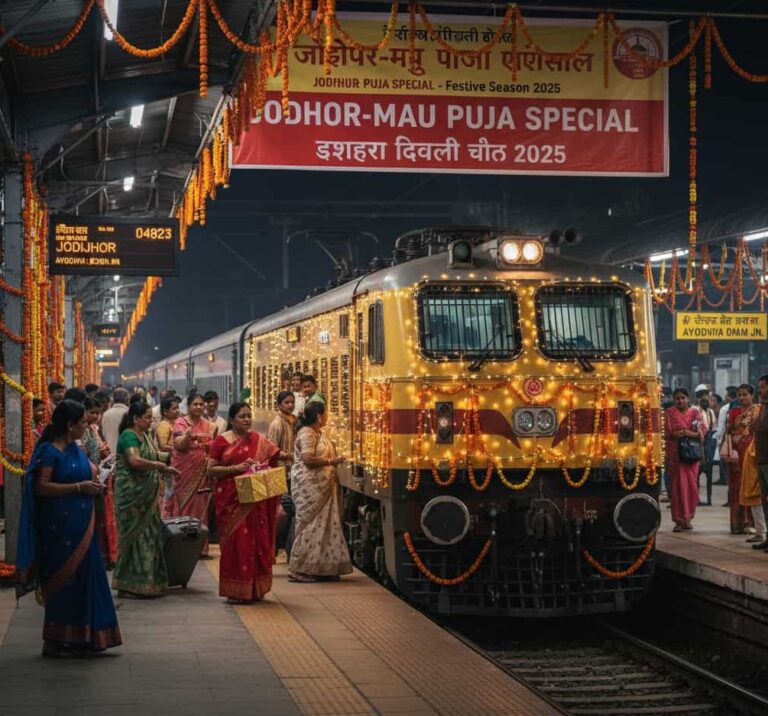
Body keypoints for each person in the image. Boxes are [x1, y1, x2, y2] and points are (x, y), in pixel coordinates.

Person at [14, 400, 122, 657]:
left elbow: (83, 476)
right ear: (69, 425)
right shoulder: (49, 452)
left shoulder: (77, 448)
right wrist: (78, 488)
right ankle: (55, 640)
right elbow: (41, 487)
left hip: (83, 526)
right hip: (59, 530)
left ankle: (84, 637)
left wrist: (94, 485)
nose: (86, 426)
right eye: (82, 423)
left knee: (86, 580)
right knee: (64, 584)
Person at [207, 402, 281, 603]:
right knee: (237, 544)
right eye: (242, 416)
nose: (247, 420)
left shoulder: (258, 439)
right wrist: (236, 469)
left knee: (258, 542)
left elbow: (274, 455)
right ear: (232, 420)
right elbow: (210, 470)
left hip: (255, 502)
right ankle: (237, 591)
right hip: (231, 503)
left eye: (249, 416)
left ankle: (256, 589)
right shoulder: (222, 441)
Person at [112, 400, 176, 598]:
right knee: (135, 538)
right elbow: (135, 461)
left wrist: (169, 459)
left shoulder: (143, 435)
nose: (151, 420)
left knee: (149, 537)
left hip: (146, 497)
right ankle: (130, 584)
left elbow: (152, 454)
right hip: (132, 496)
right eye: (147, 417)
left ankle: (147, 583)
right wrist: (160, 466)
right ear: (135, 418)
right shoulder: (128, 436)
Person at [289, 402, 352, 582]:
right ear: (318, 417)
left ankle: (322, 568)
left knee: (325, 526)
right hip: (310, 488)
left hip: (321, 486)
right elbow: (308, 460)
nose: (327, 418)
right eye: (325, 415)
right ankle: (298, 569)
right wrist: (333, 461)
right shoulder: (307, 433)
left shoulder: (316, 432)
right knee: (310, 526)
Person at [166, 392, 216, 555]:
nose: (199, 407)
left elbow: (214, 447)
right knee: (183, 503)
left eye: (201, 404)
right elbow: (179, 446)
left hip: (202, 471)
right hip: (184, 470)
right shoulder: (181, 422)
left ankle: (200, 547)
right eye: (195, 404)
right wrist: (188, 437)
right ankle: (181, 543)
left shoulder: (209, 425)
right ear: (188, 407)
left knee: (200, 505)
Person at [664, 388, 705, 532]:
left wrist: (689, 433)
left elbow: (702, 431)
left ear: (688, 399)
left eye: (683, 398)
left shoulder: (695, 412)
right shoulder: (669, 412)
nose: (680, 401)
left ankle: (688, 518)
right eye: (678, 398)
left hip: (691, 457)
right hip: (676, 456)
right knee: (677, 489)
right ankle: (678, 520)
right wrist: (678, 434)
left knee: (692, 487)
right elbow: (666, 432)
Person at [83, 398, 118, 569]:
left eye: (97, 413)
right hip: (88, 477)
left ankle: (102, 557)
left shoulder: (93, 429)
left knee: (100, 516)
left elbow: (98, 448)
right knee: (93, 518)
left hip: (99, 475)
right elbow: (84, 453)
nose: (96, 416)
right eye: (92, 413)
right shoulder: (82, 432)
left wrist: (105, 453)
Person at [724, 384, 759, 534]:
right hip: (736, 455)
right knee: (736, 488)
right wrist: (729, 450)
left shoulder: (759, 410)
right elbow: (728, 432)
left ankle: (751, 523)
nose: (742, 398)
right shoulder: (733, 412)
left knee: (751, 488)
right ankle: (737, 524)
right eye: (740, 395)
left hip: (752, 453)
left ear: (752, 395)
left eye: (745, 394)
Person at [267, 391, 297, 557]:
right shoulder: (277, 424)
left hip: (291, 473)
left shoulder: (292, 421)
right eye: (286, 402)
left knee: (288, 513)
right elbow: (271, 451)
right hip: (280, 474)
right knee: (281, 514)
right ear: (279, 405)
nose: (290, 405)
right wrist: (285, 456)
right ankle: (273, 550)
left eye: (292, 402)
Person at [751, 375, 768, 551]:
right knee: (764, 500)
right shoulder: (762, 407)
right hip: (762, 459)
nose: (760, 391)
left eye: (763, 387)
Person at [714, 387, 738, 490]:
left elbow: (722, 428)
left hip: (728, 441)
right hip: (731, 441)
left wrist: (720, 442)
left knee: (728, 468)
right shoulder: (730, 407)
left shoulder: (725, 409)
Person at [698, 396, 717, 506]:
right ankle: (697, 498)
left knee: (708, 474)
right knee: (697, 476)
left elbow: (713, 427)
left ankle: (709, 499)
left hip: (708, 440)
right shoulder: (696, 411)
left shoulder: (710, 412)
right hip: (699, 441)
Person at [102, 388, 130, 455]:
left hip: (108, 455)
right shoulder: (130, 414)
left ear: (113, 400)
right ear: (127, 400)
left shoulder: (105, 414)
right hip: (126, 456)